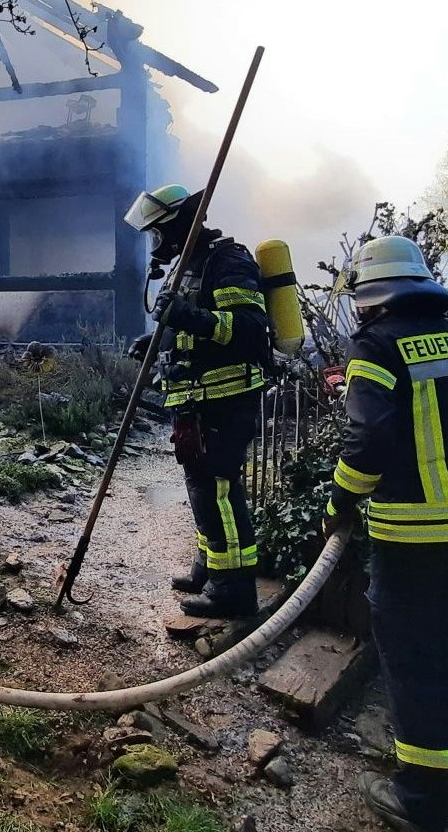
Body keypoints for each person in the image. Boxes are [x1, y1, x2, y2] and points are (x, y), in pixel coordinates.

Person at [323, 235, 448, 832]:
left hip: (418, 527)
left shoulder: (377, 345)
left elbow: (370, 441)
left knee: (410, 655)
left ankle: (422, 797)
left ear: (372, 295)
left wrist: (342, 497)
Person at [123, 183, 271, 618]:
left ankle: (235, 592)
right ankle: (210, 566)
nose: (154, 243)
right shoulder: (191, 266)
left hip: (226, 400)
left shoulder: (228, 261)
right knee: (202, 490)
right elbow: (192, 330)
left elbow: (245, 328)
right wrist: (157, 338)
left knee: (220, 491)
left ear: (177, 227)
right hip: (197, 402)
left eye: (157, 233)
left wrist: (187, 315)